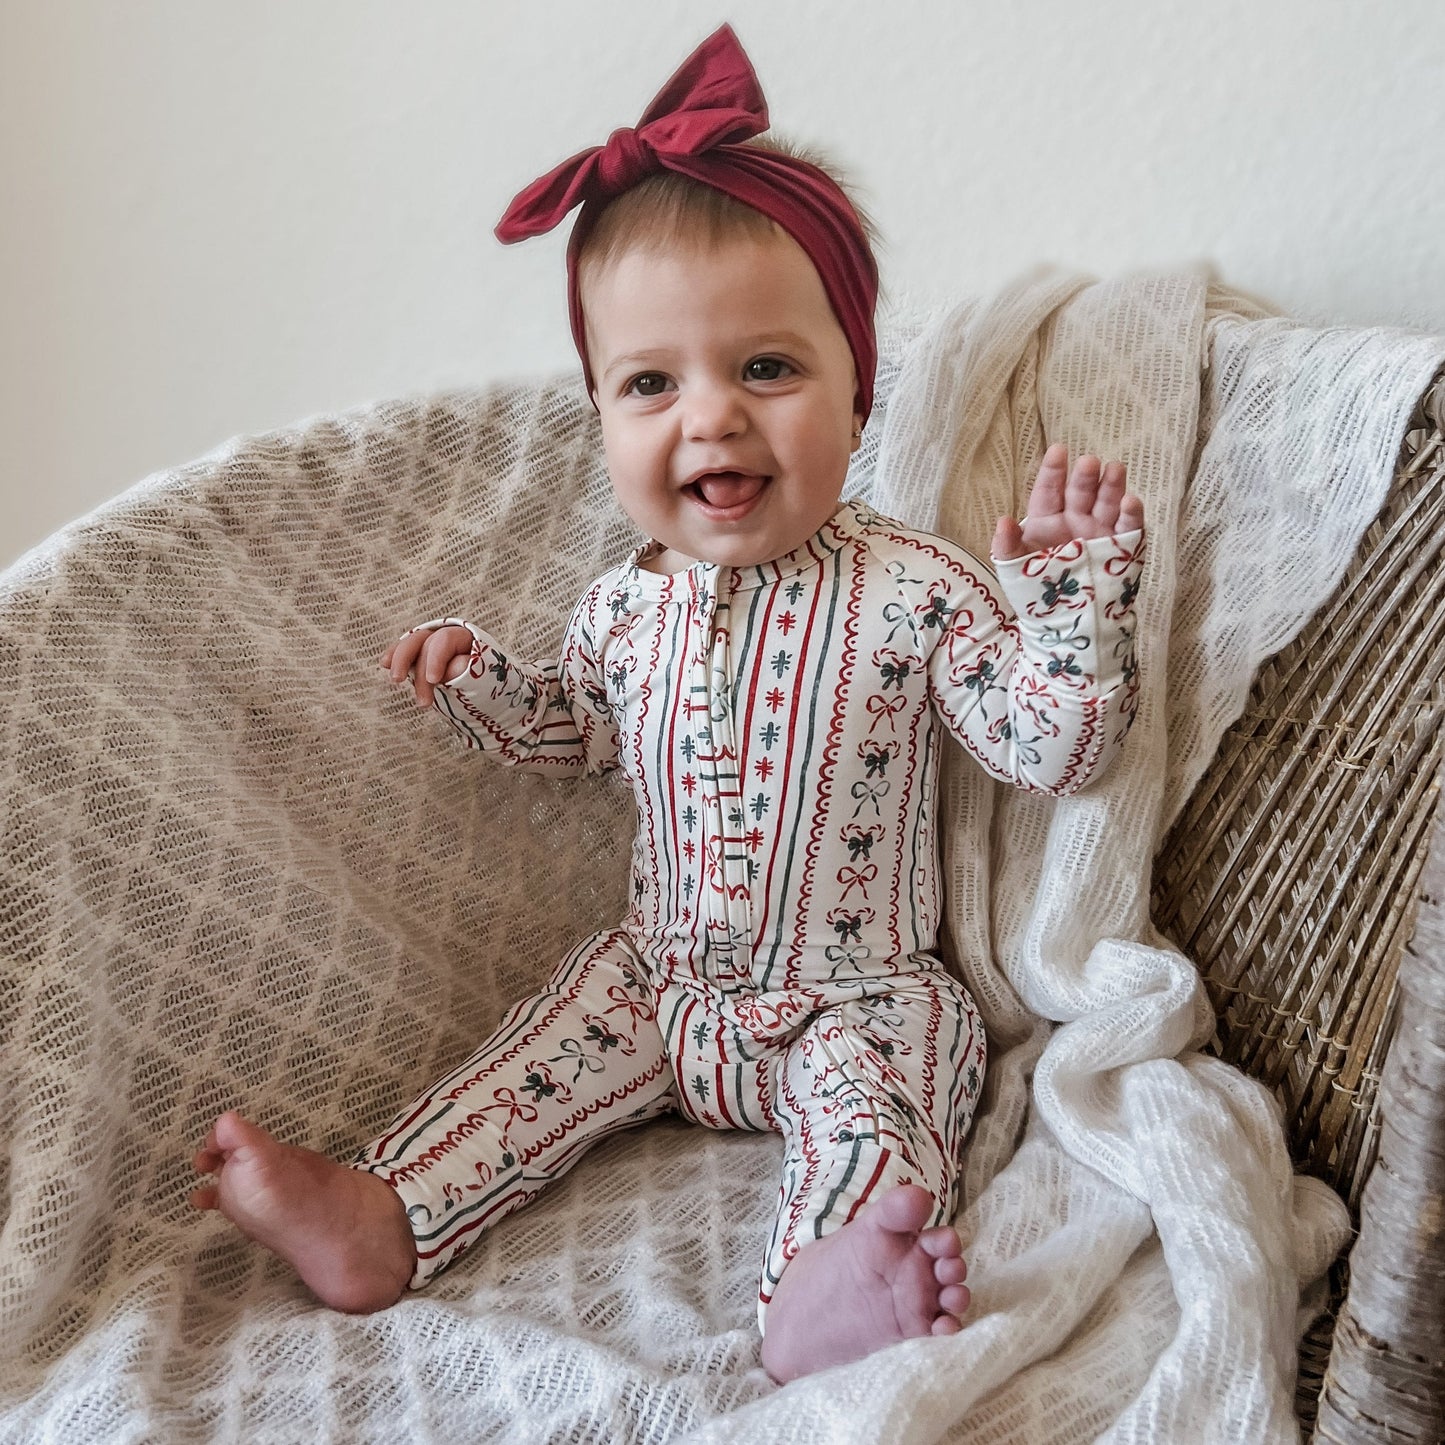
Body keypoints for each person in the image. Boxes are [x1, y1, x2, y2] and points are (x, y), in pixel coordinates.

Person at [190, 24, 1145, 1384]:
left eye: (766, 369)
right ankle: (382, 1209)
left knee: (891, 1095)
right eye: (652, 383)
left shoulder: (912, 587)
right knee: (539, 1049)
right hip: (666, 981)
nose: (710, 419)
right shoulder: (619, 608)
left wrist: (1071, 598)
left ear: (855, 391)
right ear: (600, 416)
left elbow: (1050, 744)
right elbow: (580, 734)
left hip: (852, 994)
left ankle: (826, 1276)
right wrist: (483, 686)